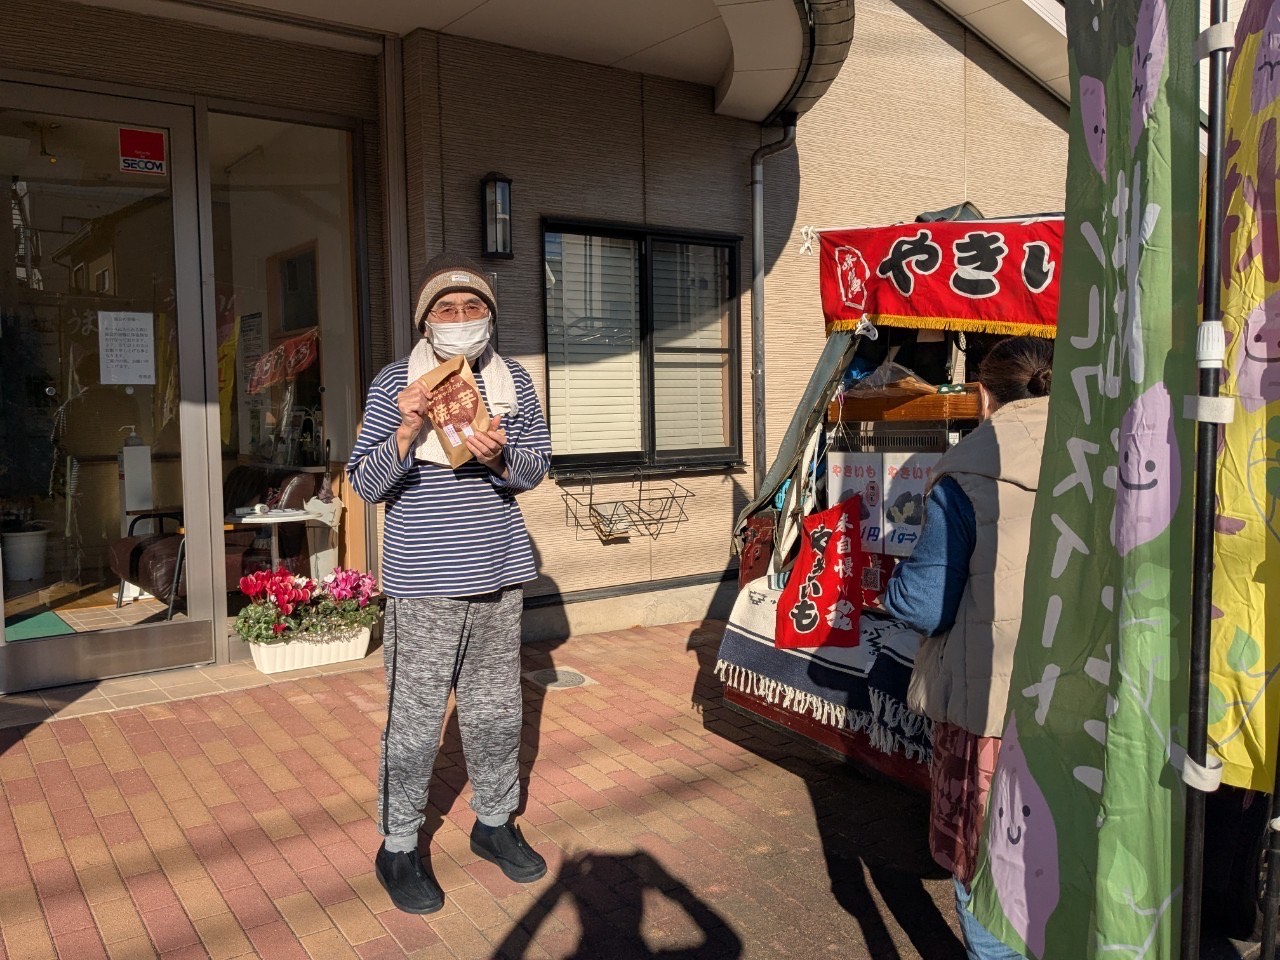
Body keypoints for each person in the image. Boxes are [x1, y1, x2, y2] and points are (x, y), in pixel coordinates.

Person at [347, 253, 553, 914]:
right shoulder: (392, 384)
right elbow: (366, 483)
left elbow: (535, 468)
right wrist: (408, 429)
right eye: (446, 309)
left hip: (499, 571)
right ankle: (398, 845)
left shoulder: (511, 381)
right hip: (423, 578)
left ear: (490, 315)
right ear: (425, 321)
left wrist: (500, 459)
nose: (461, 320)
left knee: (496, 711)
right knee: (414, 718)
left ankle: (495, 824)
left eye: (473, 308)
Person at [880, 335, 1054, 960]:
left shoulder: (969, 469)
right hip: (1079, 698)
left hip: (988, 704)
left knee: (987, 871)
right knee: (1061, 860)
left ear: (984, 395)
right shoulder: (1101, 457)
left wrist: (892, 591)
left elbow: (925, 602)